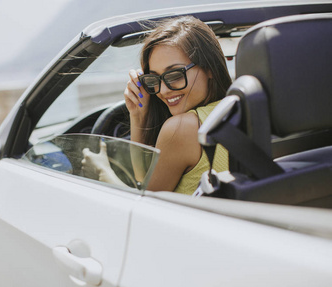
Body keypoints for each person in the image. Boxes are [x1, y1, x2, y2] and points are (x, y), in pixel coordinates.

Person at [82, 16, 232, 195]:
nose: (163, 90)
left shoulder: (183, 128)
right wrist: (138, 115)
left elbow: (145, 204)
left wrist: (102, 171)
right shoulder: (241, 108)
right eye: (153, 79)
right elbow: (144, 178)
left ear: (209, 68)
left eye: (175, 75)